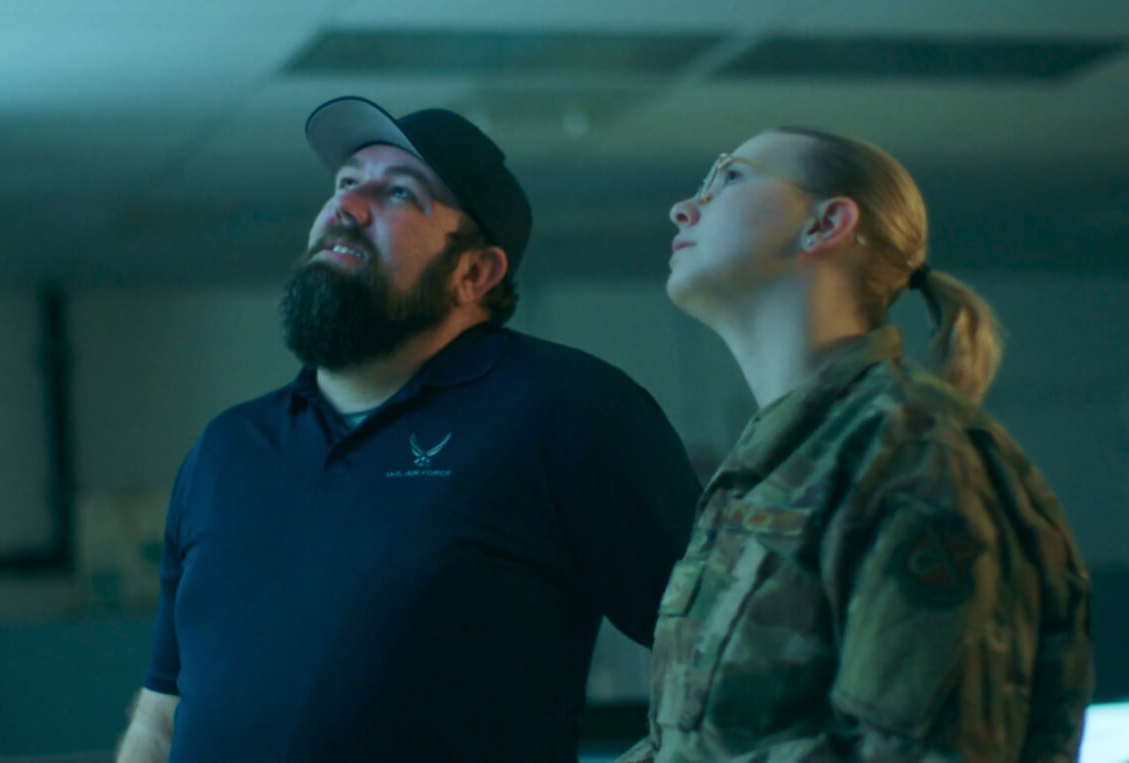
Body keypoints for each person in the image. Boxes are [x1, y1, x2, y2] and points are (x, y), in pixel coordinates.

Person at [115, 96, 704, 763]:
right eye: (345, 182)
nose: (349, 205)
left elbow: (729, 657)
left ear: (473, 273)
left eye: (398, 192)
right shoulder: (226, 450)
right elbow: (162, 715)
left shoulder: (571, 415)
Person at [621, 127, 1093, 761]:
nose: (684, 207)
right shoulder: (768, 470)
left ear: (826, 224)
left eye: (730, 178)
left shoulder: (913, 454)